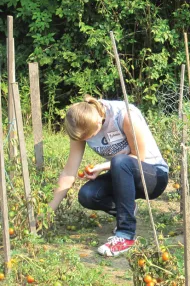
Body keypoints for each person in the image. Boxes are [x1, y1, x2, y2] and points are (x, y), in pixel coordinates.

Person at [48, 95, 169, 257]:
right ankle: (128, 208)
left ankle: (125, 235)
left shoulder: (124, 116)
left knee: (120, 162)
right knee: (88, 195)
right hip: (122, 174)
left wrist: (103, 166)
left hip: (152, 176)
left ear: (99, 121)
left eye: (89, 137)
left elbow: (138, 157)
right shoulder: (81, 125)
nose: (88, 140)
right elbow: (69, 172)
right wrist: (46, 214)